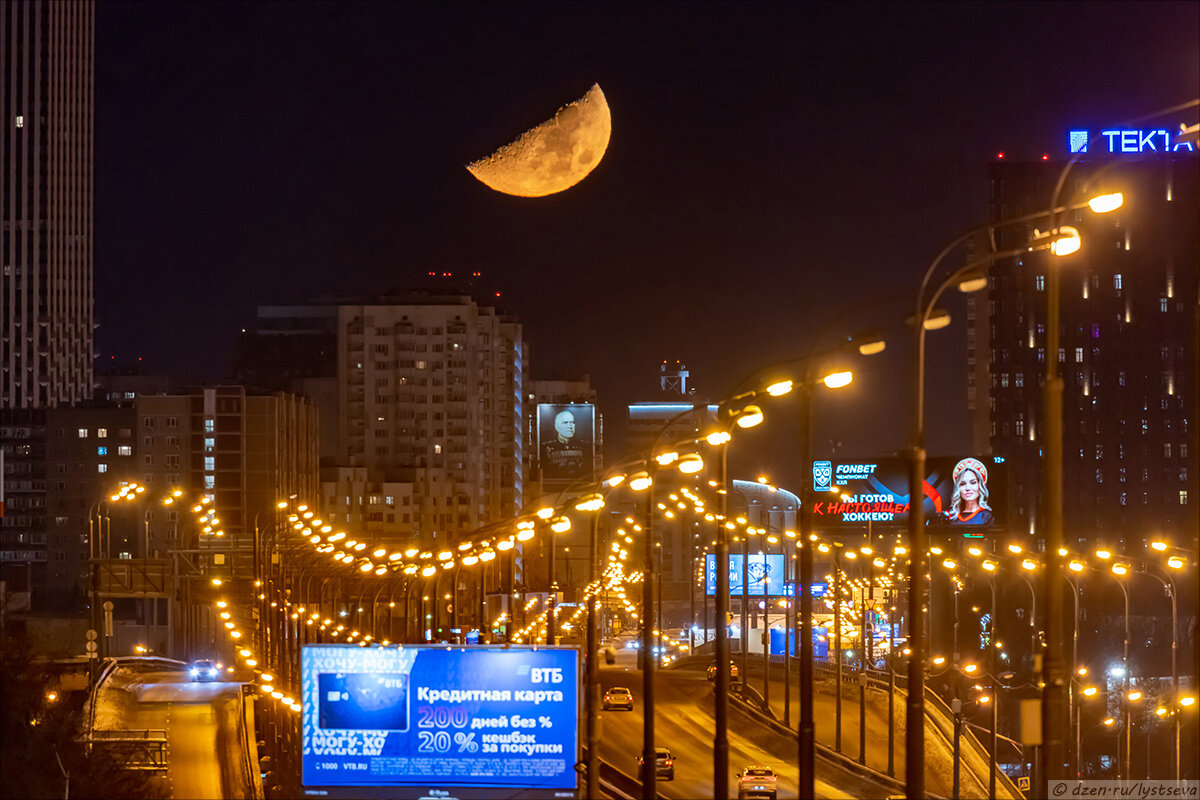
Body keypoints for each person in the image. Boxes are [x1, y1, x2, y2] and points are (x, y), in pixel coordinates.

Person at [947, 457, 993, 525]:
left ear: (980, 486)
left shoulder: (986, 516)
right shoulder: (953, 517)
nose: (968, 488)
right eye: (962, 484)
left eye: (973, 482)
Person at [542, 409, 585, 480]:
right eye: (565, 423)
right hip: (552, 484)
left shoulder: (584, 446)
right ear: (556, 427)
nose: (570, 426)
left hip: (579, 484)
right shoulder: (546, 447)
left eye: (572, 422)